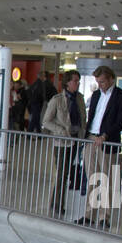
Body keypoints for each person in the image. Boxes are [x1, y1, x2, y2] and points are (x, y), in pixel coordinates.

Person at [79, 65, 122, 228]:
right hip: (91, 139)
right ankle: (89, 214)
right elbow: (92, 116)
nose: (99, 85)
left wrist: (104, 135)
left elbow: (120, 122)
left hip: (106, 142)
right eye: (97, 82)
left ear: (111, 79)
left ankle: (104, 216)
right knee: (92, 178)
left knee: (106, 179)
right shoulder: (95, 95)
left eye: (102, 82)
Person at [42, 71, 85, 217]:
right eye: (75, 81)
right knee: (62, 173)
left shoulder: (79, 98)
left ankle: (56, 203)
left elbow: (82, 119)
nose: (77, 83)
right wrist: (60, 130)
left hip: (75, 141)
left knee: (66, 173)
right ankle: (57, 204)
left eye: (78, 81)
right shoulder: (57, 100)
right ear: (67, 83)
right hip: (61, 142)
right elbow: (46, 121)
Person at [26, 70, 56, 134]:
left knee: (36, 117)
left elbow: (29, 92)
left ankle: (38, 133)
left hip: (35, 103)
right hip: (39, 103)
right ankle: (30, 132)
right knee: (36, 117)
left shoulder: (36, 84)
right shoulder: (42, 84)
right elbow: (43, 94)